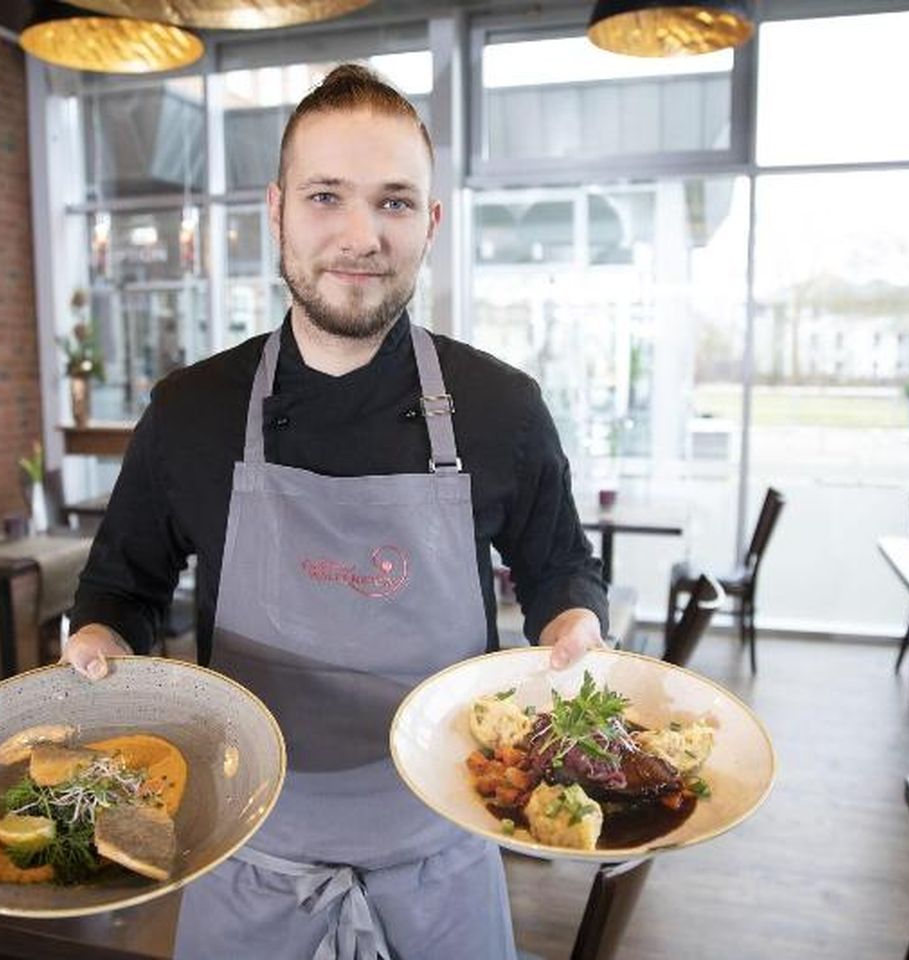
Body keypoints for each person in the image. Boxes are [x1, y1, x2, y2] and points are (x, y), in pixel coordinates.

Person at [64, 63, 608, 960]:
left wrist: (576, 627)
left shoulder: (500, 406)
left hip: (442, 863)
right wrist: (98, 642)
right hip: (246, 862)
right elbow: (123, 586)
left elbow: (559, 569)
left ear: (431, 223)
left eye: (394, 202)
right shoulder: (190, 411)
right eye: (327, 196)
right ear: (276, 209)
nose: (361, 236)